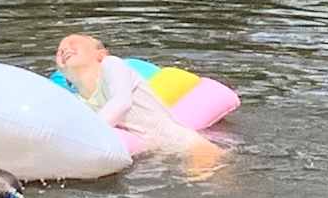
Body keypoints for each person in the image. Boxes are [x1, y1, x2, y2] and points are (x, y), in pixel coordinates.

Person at [53, 33, 220, 162]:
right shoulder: (76, 100)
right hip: (150, 158)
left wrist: (87, 136)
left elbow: (121, 102)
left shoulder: (112, 65)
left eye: (73, 42)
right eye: (59, 51)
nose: (64, 49)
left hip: (187, 145)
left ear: (100, 54)